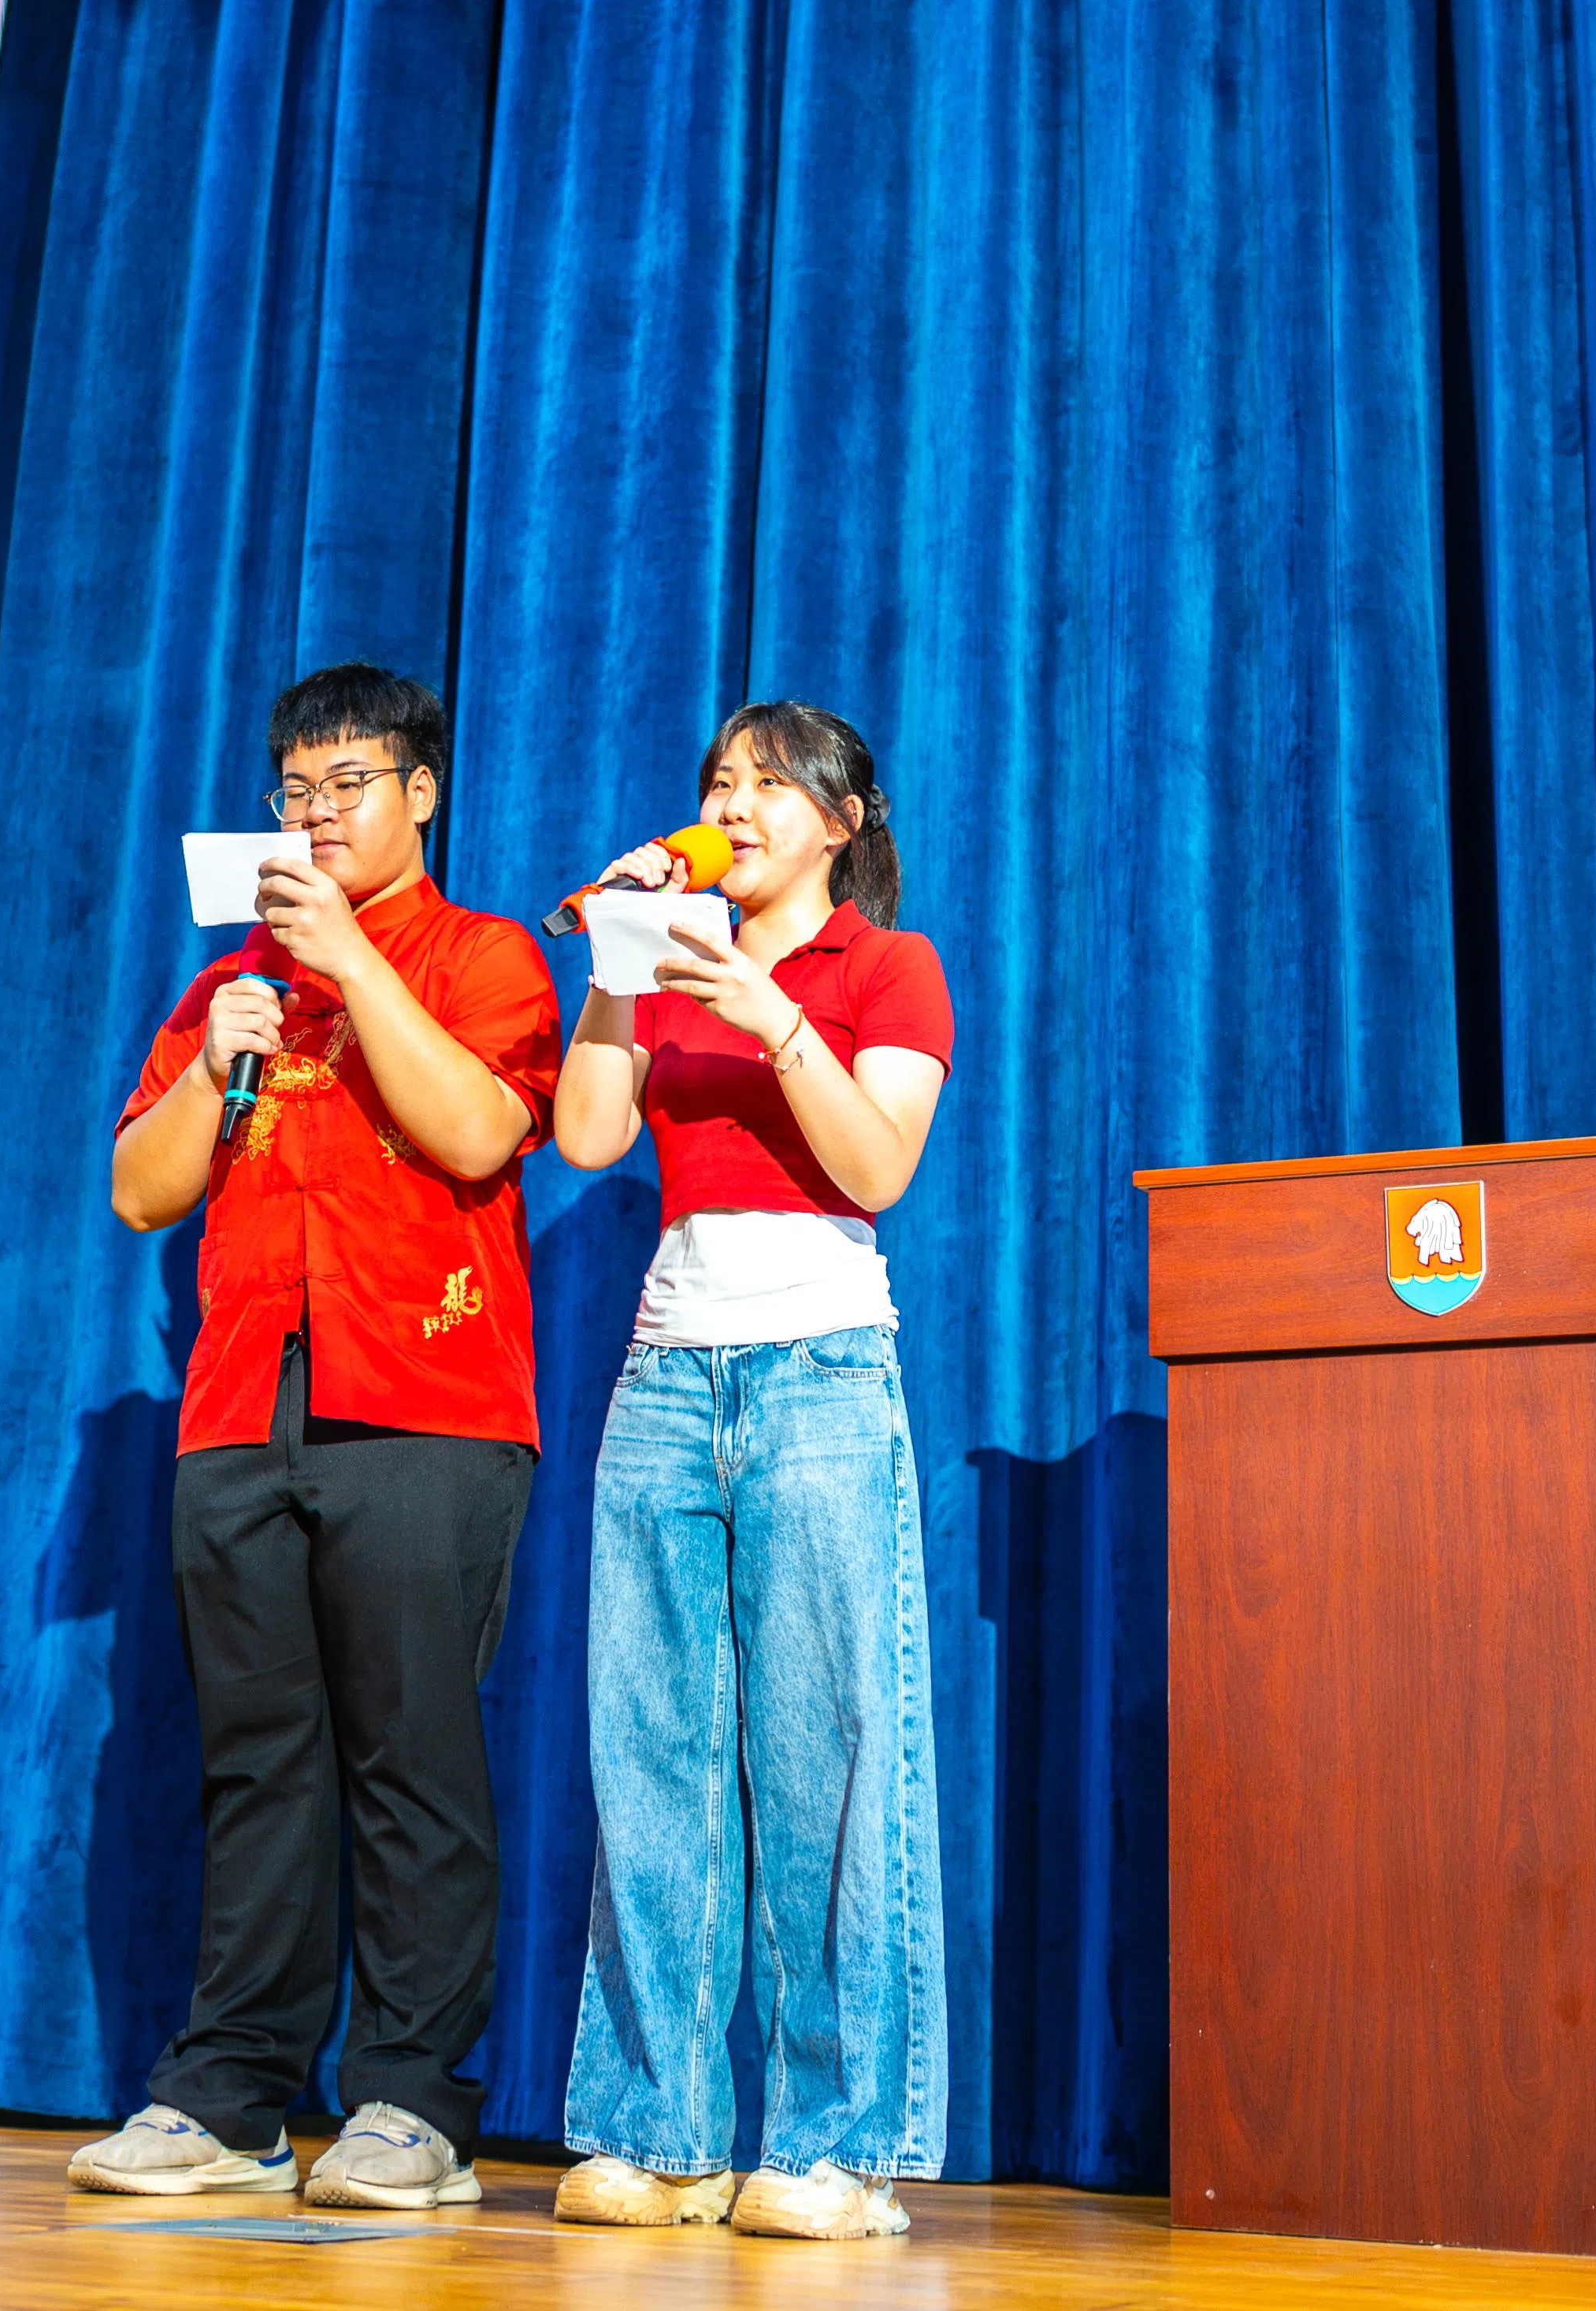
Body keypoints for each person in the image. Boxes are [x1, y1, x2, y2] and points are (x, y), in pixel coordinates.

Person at [72, 663, 561, 2211]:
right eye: (294, 789)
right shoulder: (232, 985)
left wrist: (350, 958)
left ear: (420, 791)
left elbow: (477, 1131)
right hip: (241, 1403)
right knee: (254, 1764)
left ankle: (412, 2104)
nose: (316, 812)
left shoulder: (480, 955)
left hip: (421, 1397)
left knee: (411, 1758)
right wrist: (216, 1057)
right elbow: (139, 1190)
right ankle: (229, 2095)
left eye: (347, 783)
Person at [544, 700, 953, 2242]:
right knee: (651, 1758)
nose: (733, 805)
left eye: (769, 785)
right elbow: (587, 1138)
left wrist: (768, 1009)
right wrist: (618, 960)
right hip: (667, 1373)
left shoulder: (884, 965)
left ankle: (837, 2145)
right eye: (719, 781)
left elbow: (875, 1164)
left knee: (821, 1766)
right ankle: (657, 2131)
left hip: (818, 1371)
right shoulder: (666, 962)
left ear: (839, 821)